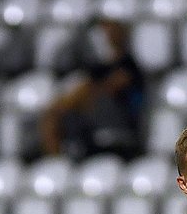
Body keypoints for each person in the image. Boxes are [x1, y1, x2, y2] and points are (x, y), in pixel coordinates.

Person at [40, 18, 146, 160]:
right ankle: (56, 164)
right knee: (53, 116)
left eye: (109, 31)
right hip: (91, 142)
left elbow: (114, 85)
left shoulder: (128, 68)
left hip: (122, 141)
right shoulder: (94, 72)